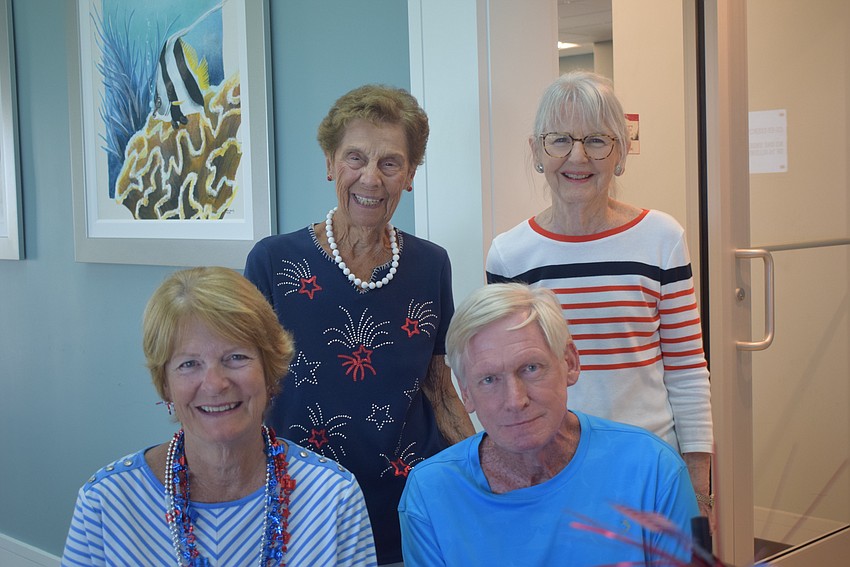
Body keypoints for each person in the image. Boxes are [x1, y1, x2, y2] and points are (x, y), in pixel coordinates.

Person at [245, 84, 475, 565]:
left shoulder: (431, 265)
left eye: (390, 163)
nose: (371, 178)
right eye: (355, 158)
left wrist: (485, 471)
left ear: (409, 175)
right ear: (330, 163)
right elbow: (251, 391)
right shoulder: (273, 261)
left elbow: (440, 389)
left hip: (414, 501)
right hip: (306, 503)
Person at [485, 70, 714, 518]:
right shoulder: (510, 255)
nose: (578, 156)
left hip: (650, 465)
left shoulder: (661, 238)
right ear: (537, 151)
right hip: (551, 467)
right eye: (560, 139)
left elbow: (687, 369)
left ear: (621, 153)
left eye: (596, 140)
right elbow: (510, 378)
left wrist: (700, 484)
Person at [61, 267, 376, 566]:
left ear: (270, 370)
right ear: (166, 384)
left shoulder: (333, 497)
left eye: (236, 357)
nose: (214, 384)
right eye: (189, 364)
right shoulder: (105, 504)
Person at [398, 283, 700, 566]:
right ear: (466, 392)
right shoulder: (431, 494)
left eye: (530, 368)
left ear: (570, 362)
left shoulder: (652, 470)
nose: (515, 400)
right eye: (489, 379)